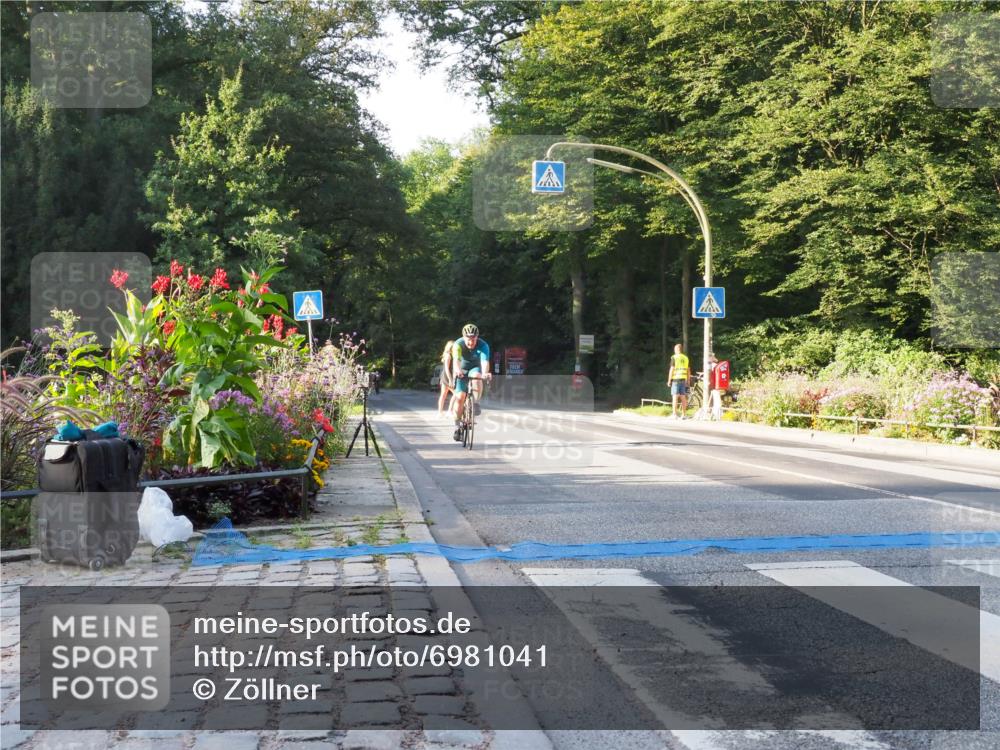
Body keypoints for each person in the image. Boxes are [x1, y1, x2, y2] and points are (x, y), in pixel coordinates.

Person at [452, 323, 492, 441]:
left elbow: (485, 362)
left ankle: (475, 402)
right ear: (464, 338)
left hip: (474, 368)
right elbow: (456, 360)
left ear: (477, 337)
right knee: (460, 397)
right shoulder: (458, 344)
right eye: (468, 340)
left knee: (477, 376)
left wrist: (485, 373)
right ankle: (457, 425)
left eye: (473, 339)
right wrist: (458, 371)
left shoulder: (483, 345)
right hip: (461, 369)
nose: (471, 342)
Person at [667, 343, 690, 419]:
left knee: (675, 397)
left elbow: (672, 369)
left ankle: (674, 414)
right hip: (683, 380)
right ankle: (684, 415)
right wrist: (688, 381)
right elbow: (688, 370)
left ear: (677, 349)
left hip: (676, 379)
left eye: (674, 349)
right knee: (683, 397)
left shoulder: (674, 357)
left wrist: (669, 380)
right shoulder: (686, 358)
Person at [437, 339, 455, 417]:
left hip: (445, 376)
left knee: (443, 395)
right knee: (456, 394)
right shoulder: (448, 355)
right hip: (447, 376)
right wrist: (450, 379)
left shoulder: (449, 355)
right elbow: (447, 368)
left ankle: (441, 412)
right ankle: (448, 411)